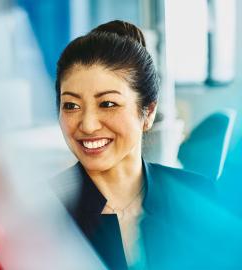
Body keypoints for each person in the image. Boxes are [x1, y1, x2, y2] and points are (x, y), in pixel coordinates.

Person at [52, 20, 223, 269]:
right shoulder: (41, 214)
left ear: (148, 112)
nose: (87, 125)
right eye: (71, 106)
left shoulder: (197, 198)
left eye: (108, 104)